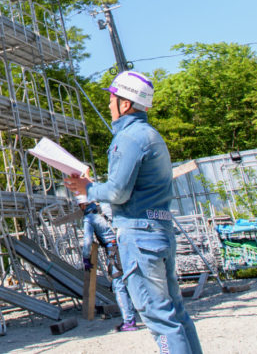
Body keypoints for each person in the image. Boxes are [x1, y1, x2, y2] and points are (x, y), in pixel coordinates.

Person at [64, 71, 202, 354]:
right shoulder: (151, 136)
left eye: (112, 98)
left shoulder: (128, 138)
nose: (109, 104)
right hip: (159, 232)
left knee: (158, 318)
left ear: (125, 104)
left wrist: (87, 188)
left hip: (140, 237)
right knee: (175, 313)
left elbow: (117, 193)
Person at [79, 198, 139, 332]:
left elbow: (87, 242)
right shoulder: (108, 206)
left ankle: (129, 321)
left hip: (113, 250)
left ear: (83, 205)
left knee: (119, 284)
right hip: (129, 244)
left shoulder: (90, 218)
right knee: (134, 279)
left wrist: (86, 259)